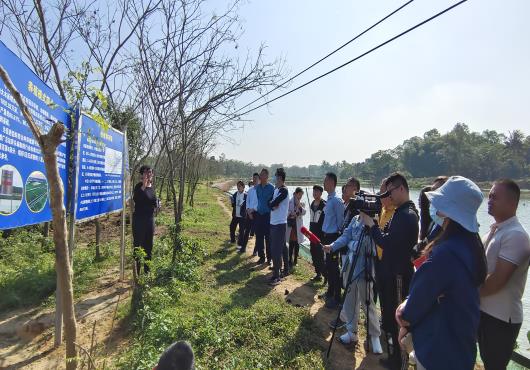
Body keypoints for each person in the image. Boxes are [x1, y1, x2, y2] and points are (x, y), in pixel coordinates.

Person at [395, 176, 488, 370]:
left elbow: (418, 300)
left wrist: (404, 313)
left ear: (448, 211)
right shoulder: (472, 246)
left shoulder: (445, 253)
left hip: (438, 348)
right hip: (460, 347)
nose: (434, 208)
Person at [360, 172, 418, 369]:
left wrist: (372, 226)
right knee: (388, 318)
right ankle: (393, 357)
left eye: (390, 191)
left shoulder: (407, 215)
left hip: (398, 275)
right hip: (388, 273)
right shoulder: (400, 213)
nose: (388, 195)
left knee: (399, 320)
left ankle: (400, 362)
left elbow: (386, 242)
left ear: (401, 188)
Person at [323, 187, 383, 353]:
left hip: (365, 269)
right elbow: (346, 236)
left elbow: (372, 246)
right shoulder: (355, 219)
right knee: (350, 301)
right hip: (350, 266)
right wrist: (333, 246)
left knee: (368, 303)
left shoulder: (373, 222)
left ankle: (374, 336)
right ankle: (352, 332)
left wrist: (355, 244)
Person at [478, 179, 530, 370]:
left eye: (494, 197)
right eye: (489, 196)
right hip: (486, 312)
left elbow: (498, 281)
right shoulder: (496, 230)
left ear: (512, 203)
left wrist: (468, 292)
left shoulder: (516, 235)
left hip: (501, 318)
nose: (489, 200)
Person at [322, 172, 345, 309]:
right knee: (329, 267)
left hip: (333, 237)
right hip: (326, 236)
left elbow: (341, 223)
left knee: (334, 268)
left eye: (325, 181)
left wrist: (336, 240)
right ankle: (330, 293)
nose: (323, 183)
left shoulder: (336, 201)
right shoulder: (329, 199)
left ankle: (337, 297)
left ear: (331, 182)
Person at [133, 165, 159, 274]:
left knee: (149, 246)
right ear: (142, 174)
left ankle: (147, 271)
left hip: (149, 220)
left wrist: (158, 204)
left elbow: (153, 202)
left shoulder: (152, 187)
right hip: (139, 221)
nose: (149, 174)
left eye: (150, 172)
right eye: (146, 172)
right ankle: (137, 272)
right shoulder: (138, 186)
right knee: (138, 246)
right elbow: (136, 199)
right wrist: (143, 185)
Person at [268, 168, 289, 285]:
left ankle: (277, 277)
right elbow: (269, 202)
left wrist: (272, 204)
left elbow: (273, 203)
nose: (274, 178)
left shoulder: (284, 191)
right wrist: (272, 205)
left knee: (276, 250)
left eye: (275, 176)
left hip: (280, 224)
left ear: (280, 178)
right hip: (273, 223)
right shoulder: (276, 190)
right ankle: (281, 271)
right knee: (277, 248)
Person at [254, 169, 275, 265]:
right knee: (259, 236)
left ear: (266, 176)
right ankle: (261, 257)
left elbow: (273, 201)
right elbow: (258, 199)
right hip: (259, 214)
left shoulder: (271, 188)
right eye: (260, 175)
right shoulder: (257, 188)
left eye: (262, 175)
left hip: (267, 215)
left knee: (268, 238)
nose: (260, 177)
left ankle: (269, 258)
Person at [309, 185, 326, 281]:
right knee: (313, 253)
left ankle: (326, 275)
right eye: (314, 191)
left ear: (321, 193)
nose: (314, 193)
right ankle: (318, 273)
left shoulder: (324, 204)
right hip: (312, 233)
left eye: (317, 191)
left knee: (320, 255)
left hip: (320, 234)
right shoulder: (312, 203)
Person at [286, 187, 306, 268]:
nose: (300, 196)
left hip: (298, 226)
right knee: (291, 243)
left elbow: (304, 212)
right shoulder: (289, 201)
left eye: (301, 195)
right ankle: (289, 259)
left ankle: (295, 260)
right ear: (295, 193)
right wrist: (291, 214)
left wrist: (298, 206)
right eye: (299, 194)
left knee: (297, 243)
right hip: (291, 225)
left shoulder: (302, 203)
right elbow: (286, 211)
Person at [229, 181, 247, 245]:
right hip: (235, 215)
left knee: (241, 231)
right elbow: (233, 205)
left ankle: (240, 244)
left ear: (243, 187)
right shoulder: (235, 194)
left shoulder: (246, 195)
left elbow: (247, 206)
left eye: (240, 186)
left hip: (242, 216)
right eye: (237, 186)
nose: (238, 187)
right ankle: (232, 240)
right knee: (232, 227)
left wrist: (243, 205)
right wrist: (232, 201)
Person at [247, 173, 260, 245]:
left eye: (256, 178)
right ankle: (243, 247)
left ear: (259, 179)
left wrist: (253, 210)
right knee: (246, 231)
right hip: (249, 212)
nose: (254, 179)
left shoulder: (260, 190)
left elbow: (259, 203)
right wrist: (248, 211)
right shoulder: (250, 189)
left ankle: (256, 250)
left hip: (256, 212)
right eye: (253, 178)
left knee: (257, 232)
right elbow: (247, 201)